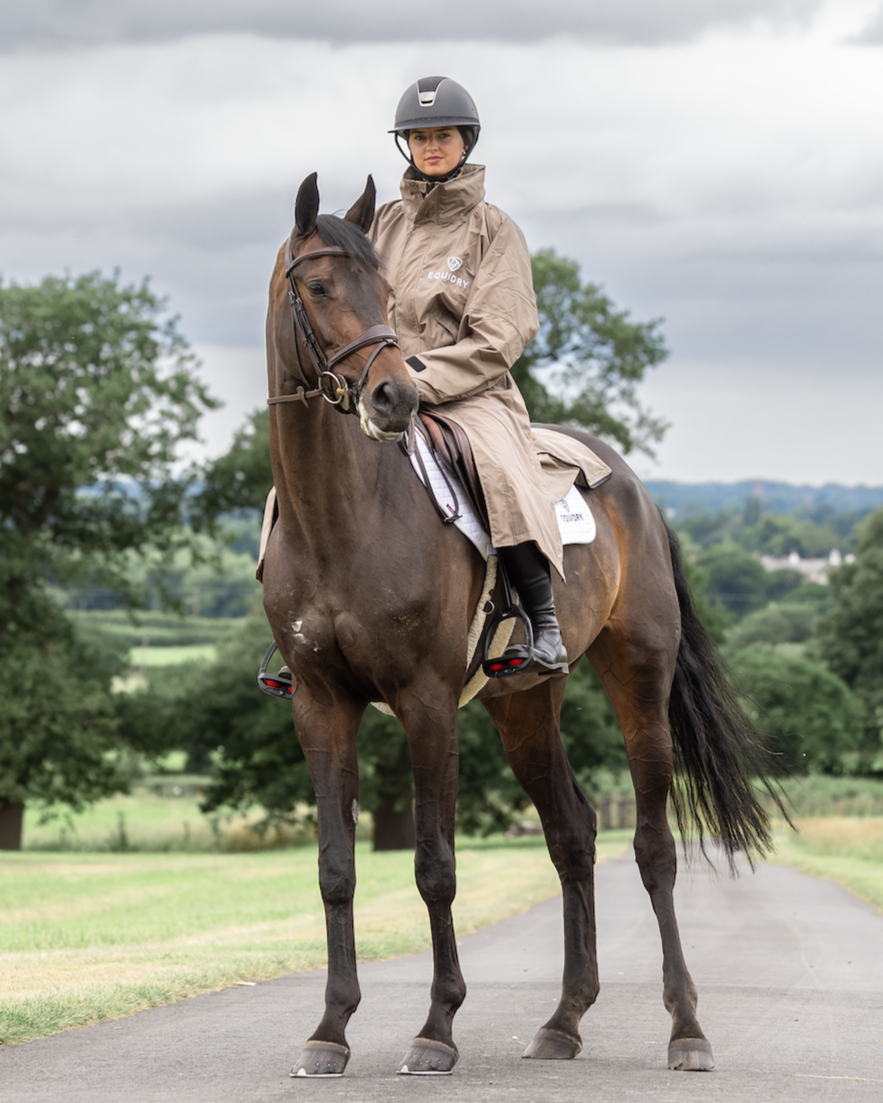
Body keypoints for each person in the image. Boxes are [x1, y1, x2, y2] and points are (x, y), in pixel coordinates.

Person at [370, 75, 570, 676]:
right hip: (377, 389)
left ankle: (543, 621)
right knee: (302, 472)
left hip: (467, 394)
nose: (431, 146)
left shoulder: (495, 230)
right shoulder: (380, 225)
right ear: (407, 145)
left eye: (443, 136)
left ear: (467, 141)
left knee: (497, 468)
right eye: (419, 137)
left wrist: (416, 377)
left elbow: (499, 337)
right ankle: (299, 623)